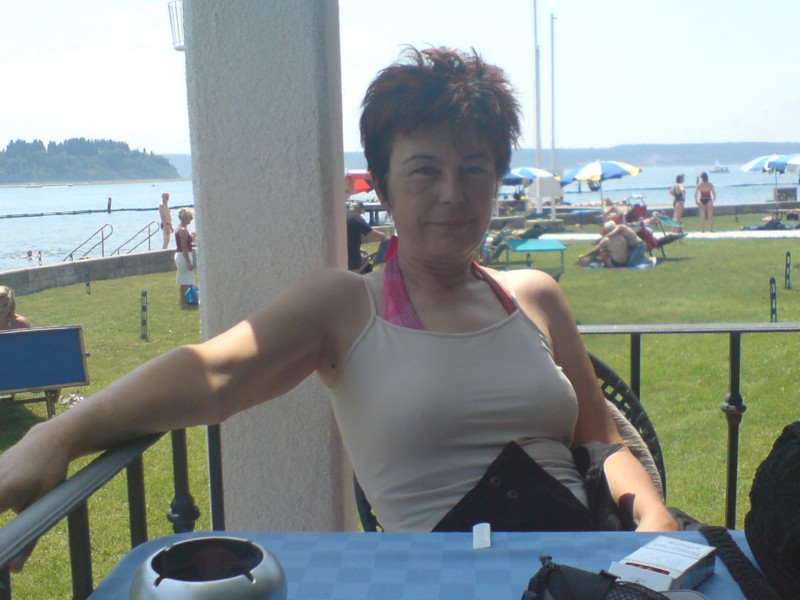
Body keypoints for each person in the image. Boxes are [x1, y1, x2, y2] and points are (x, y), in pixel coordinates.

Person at [0, 47, 676, 570]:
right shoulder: (348, 306)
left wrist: (653, 517)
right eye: (425, 170)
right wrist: (57, 435)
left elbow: (598, 441)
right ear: (382, 185)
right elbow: (212, 374)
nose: (453, 193)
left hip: (590, 564)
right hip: (447, 580)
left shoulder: (534, 295)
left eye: (475, 169)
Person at [578, 221, 650, 268]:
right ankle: (644, 259)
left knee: (631, 264)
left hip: (638, 246)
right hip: (636, 246)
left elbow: (611, 234)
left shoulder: (620, 227)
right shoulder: (622, 235)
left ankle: (648, 261)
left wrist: (603, 239)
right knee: (630, 263)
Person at [346, 201, 387, 272]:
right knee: (354, 275)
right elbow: (371, 233)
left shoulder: (344, 216)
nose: (361, 214)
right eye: (362, 211)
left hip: (343, 252)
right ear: (358, 208)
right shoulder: (355, 217)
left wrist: (360, 249)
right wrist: (383, 235)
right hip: (352, 257)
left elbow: (347, 236)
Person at [174, 207, 196, 308]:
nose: (191, 219)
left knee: (186, 280)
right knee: (184, 281)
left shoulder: (180, 228)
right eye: (190, 217)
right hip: (183, 256)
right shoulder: (183, 230)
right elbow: (184, 247)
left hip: (182, 255)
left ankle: (183, 301)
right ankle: (182, 302)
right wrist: (188, 262)